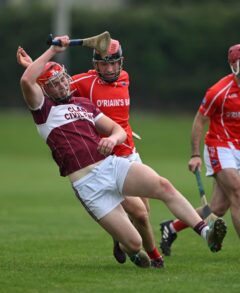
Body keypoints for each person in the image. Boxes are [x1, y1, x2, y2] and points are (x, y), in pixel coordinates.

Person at [20, 35, 226, 268]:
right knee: (135, 242)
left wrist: (114, 138)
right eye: (53, 84)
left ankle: (205, 231)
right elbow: (28, 81)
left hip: (111, 163)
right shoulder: (43, 110)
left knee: (163, 187)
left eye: (62, 80)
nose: (61, 85)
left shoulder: (85, 105)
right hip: (88, 184)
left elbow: (116, 128)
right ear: (45, 89)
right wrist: (52, 52)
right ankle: (132, 249)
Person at [17, 37, 162, 268]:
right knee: (137, 212)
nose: (110, 68)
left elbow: (119, 117)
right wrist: (35, 63)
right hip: (101, 154)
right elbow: (52, 82)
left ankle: (124, 239)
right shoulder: (83, 81)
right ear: (96, 64)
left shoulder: (125, 79)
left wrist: (123, 131)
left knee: (143, 213)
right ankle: (149, 254)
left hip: (126, 147)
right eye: (105, 63)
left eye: (114, 63)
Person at [159, 44, 240, 256]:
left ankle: (172, 227)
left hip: (238, 147)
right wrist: (195, 154)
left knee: (218, 208)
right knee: (238, 192)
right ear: (234, 66)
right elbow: (199, 121)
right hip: (219, 147)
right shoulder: (218, 91)